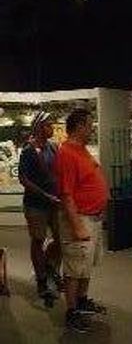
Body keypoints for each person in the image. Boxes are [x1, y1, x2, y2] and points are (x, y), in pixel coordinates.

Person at [54, 109, 109, 333]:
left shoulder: (82, 150)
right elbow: (66, 195)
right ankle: (72, 312)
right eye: (89, 125)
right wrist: (77, 226)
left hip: (92, 219)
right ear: (78, 126)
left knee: (86, 265)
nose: (92, 128)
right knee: (74, 268)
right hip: (80, 220)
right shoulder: (66, 153)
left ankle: (82, 300)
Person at [18, 111, 62, 302]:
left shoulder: (53, 147)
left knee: (61, 239)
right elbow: (23, 178)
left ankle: (50, 267)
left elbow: (59, 172)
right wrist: (45, 195)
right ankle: (42, 280)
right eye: (47, 125)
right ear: (38, 128)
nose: (51, 128)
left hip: (55, 203)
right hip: (36, 204)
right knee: (38, 239)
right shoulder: (28, 150)